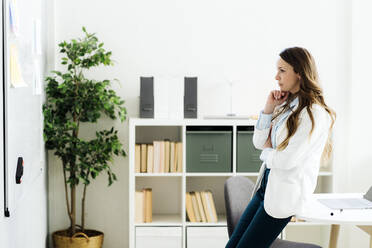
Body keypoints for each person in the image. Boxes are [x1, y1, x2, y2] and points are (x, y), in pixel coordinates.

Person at [225, 47, 336, 248]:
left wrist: (268, 151)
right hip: (266, 189)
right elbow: (259, 143)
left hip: (283, 197)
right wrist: (268, 109)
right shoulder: (288, 105)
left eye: (282, 70)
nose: (276, 76)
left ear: (299, 73)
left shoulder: (314, 114)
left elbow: (286, 160)